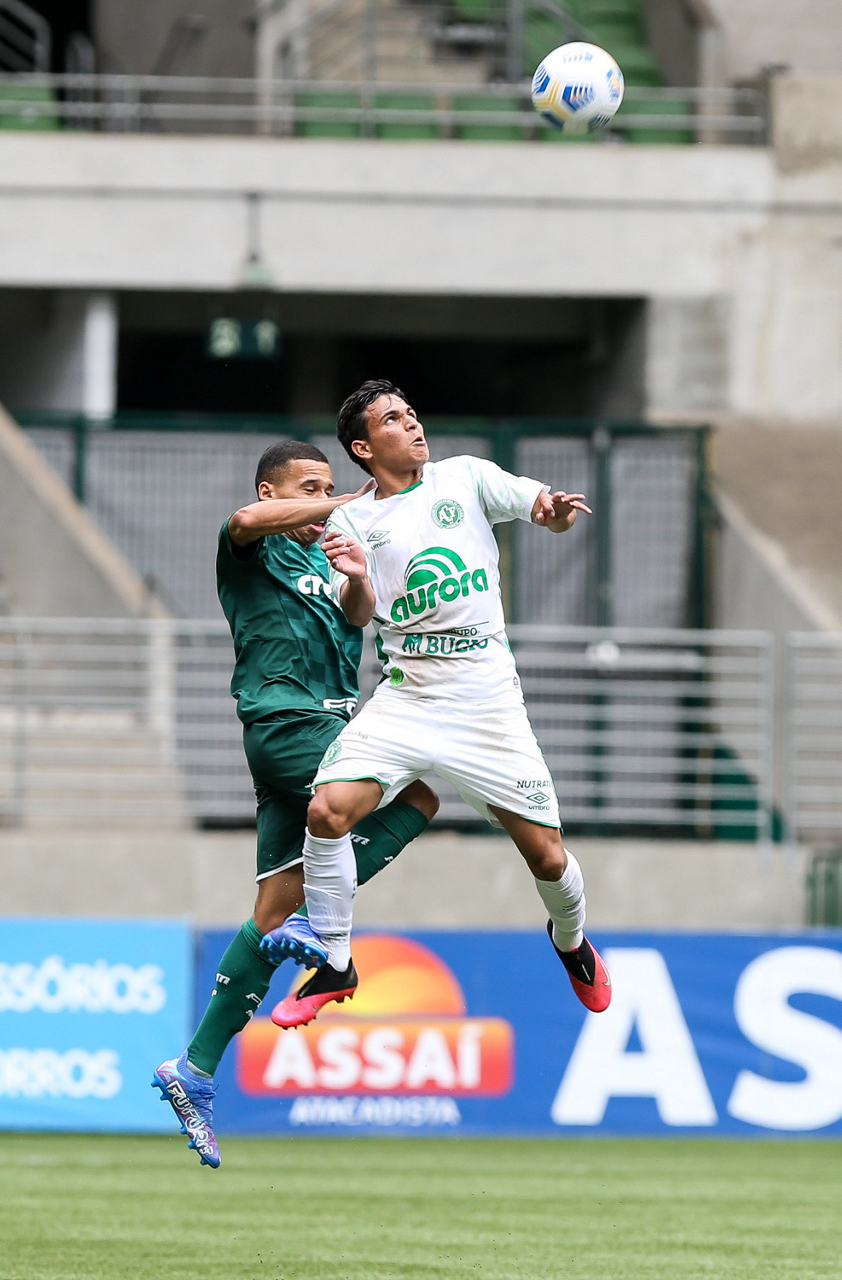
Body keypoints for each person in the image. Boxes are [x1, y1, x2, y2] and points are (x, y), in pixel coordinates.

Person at [269, 381, 611, 1030]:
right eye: (393, 420)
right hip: (408, 697)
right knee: (326, 810)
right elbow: (356, 613)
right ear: (364, 448)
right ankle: (334, 962)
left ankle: (571, 942)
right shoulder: (350, 522)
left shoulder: (466, 477)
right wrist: (359, 578)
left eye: (411, 413)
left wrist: (557, 512)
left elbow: (546, 510)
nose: (413, 424)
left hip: (487, 706)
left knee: (548, 858)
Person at [152, 440, 438, 1168]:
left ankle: (194, 1069)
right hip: (291, 727)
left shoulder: (325, 557)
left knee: (273, 915)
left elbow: (355, 618)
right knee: (425, 787)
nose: (324, 498)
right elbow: (246, 521)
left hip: (330, 732)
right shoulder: (252, 547)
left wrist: (359, 578)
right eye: (308, 487)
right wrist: (347, 501)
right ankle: (327, 930)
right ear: (271, 490)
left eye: (329, 485)